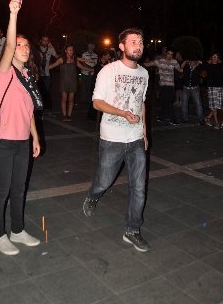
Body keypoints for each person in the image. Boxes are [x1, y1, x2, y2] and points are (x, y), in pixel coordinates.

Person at [83, 28, 150, 252]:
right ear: (122, 46)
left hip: (136, 140)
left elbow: (141, 103)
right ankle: (93, 196)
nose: (138, 45)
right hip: (112, 137)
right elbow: (97, 102)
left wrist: (144, 132)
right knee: (104, 181)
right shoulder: (108, 71)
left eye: (140, 42)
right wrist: (122, 113)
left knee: (139, 188)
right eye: (133, 42)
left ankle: (132, 230)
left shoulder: (144, 74)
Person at [0, 0, 41, 256]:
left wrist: (34, 137)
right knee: (2, 192)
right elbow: (8, 44)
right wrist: (13, 13)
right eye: (19, 45)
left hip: (22, 142)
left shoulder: (29, 76)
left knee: (19, 189)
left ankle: (18, 231)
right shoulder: (5, 70)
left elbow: (29, 110)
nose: (22, 47)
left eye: (26, 45)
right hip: (2, 142)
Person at [49, 44, 92, 121]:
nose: (72, 51)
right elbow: (52, 66)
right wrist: (41, 68)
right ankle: (64, 115)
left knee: (71, 100)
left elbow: (81, 67)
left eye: (72, 50)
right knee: (64, 99)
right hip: (64, 82)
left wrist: (91, 70)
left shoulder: (74, 59)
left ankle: (69, 115)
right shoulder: (61, 59)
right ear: (66, 51)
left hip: (73, 82)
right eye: (70, 50)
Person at [145, 49, 182, 124]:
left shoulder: (174, 61)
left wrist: (186, 64)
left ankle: (161, 117)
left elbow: (180, 70)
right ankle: (172, 119)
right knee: (168, 102)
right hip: (163, 85)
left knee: (166, 101)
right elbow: (149, 64)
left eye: (171, 54)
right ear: (166, 54)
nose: (170, 56)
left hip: (171, 86)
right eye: (169, 54)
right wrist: (138, 62)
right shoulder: (160, 61)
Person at [37, 35, 58, 111]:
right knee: (38, 91)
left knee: (47, 90)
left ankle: (47, 107)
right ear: (41, 40)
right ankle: (38, 106)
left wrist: (52, 47)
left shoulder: (50, 49)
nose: (45, 42)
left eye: (47, 40)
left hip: (47, 74)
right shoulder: (37, 49)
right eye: (43, 40)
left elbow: (56, 56)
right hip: (38, 74)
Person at [181, 59, 204, 124]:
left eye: (194, 61)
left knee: (198, 104)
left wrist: (200, 62)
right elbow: (181, 68)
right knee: (184, 104)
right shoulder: (186, 66)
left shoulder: (199, 67)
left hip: (195, 88)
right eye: (191, 61)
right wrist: (185, 61)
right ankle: (185, 118)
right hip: (186, 88)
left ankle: (200, 119)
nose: (192, 62)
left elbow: (205, 66)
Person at [204, 53, 223, 130]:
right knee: (213, 105)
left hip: (219, 87)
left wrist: (219, 61)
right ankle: (216, 123)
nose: (215, 58)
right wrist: (208, 61)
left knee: (218, 105)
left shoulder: (220, 65)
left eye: (216, 56)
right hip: (211, 87)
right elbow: (203, 66)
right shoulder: (208, 66)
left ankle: (208, 117)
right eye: (213, 56)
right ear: (211, 58)